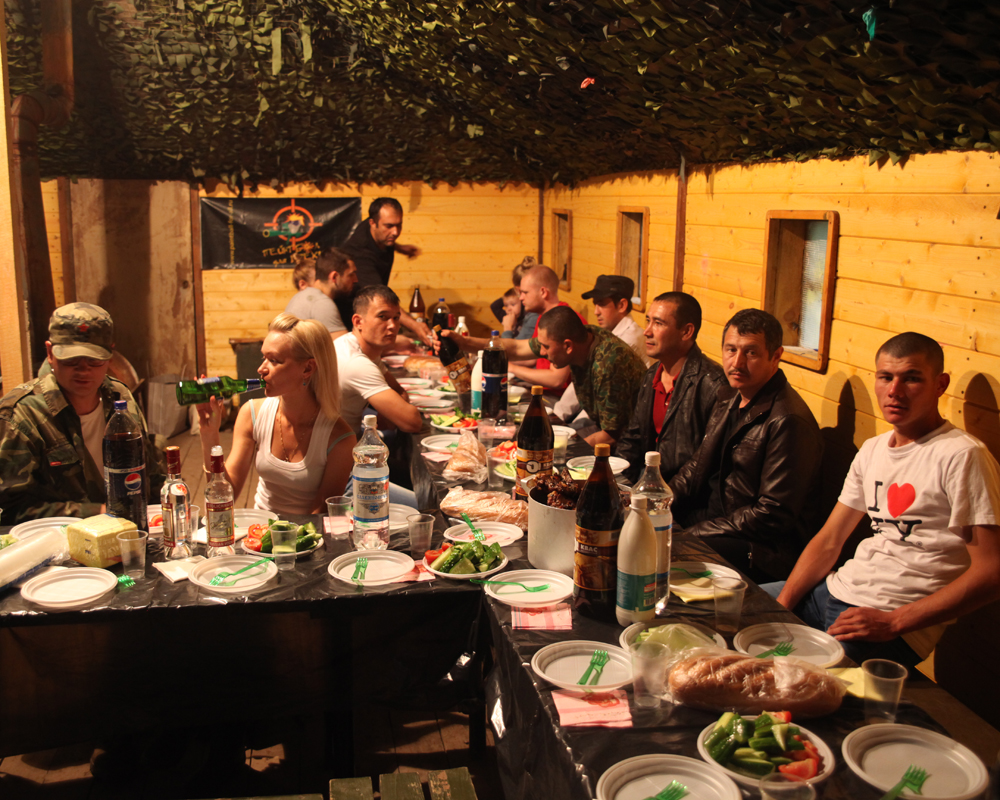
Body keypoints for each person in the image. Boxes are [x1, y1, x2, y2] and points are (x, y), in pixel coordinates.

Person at [767, 333, 1000, 667]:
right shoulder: (873, 449)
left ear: (940, 384)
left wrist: (894, 623)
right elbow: (830, 539)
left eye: (912, 378)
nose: (895, 391)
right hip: (832, 591)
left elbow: (991, 573)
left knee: (789, 677)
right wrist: (782, 606)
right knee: (731, 610)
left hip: (889, 622)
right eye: (886, 377)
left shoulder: (962, 456)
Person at [668, 308, 823, 583]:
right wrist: (658, 500)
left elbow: (771, 515)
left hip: (760, 548)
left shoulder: (787, 420)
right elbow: (696, 465)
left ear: (776, 356)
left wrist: (695, 533)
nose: (737, 362)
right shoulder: (730, 395)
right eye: (731, 350)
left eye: (751, 353)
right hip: (716, 521)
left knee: (667, 550)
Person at [0, 303, 165, 523]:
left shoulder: (120, 395)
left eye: (94, 360)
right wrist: (99, 512)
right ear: (50, 353)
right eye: (71, 360)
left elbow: (149, 472)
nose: (83, 369)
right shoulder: (21, 415)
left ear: (110, 356)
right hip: (59, 540)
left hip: (129, 531)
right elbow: (12, 511)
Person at [196, 313, 355, 516]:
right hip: (259, 528)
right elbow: (225, 495)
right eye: (264, 357)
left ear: (307, 368)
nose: (261, 369)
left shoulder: (340, 437)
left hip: (307, 531)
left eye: (274, 360)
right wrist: (209, 435)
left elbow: (321, 514)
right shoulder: (252, 413)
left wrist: (283, 535)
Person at [445, 305, 645, 446]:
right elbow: (516, 347)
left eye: (546, 347)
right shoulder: (582, 335)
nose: (541, 352)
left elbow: (612, 436)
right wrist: (463, 343)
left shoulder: (608, 364)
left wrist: (560, 450)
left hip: (632, 443)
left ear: (568, 346)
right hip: (604, 428)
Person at [616, 292, 726, 483]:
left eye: (658, 323)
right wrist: (614, 480)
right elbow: (633, 438)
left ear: (686, 332)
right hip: (650, 481)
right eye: (648, 321)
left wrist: (663, 494)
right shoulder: (651, 375)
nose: (647, 331)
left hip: (686, 493)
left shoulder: (713, 384)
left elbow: (705, 462)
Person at [554, 274, 652, 423]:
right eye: (595, 304)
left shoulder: (627, 340)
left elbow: (598, 395)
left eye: (601, 304)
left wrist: (561, 419)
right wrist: (558, 414)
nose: (596, 311)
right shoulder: (610, 334)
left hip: (625, 421)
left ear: (622, 305)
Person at [340, 197, 432, 345]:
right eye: (389, 226)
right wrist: (415, 326)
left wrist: (399, 248)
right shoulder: (360, 254)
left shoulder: (378, 232)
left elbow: (387, 235)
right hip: (355, 318)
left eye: (399, 225)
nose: (395, 232)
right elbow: (381, 298)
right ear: (372, 223)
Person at [334, 285, 423, 436]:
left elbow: (398, 390)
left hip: (346, 438)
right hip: (334, 447)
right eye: (383, 317)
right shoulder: (356, 362)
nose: (392, 326)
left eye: (396, 318)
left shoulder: (361, 349)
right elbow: (412, 422)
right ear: (358, 322)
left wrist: (388, 415)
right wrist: (390, 417)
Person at [508, 264, 582, 390]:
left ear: (543, 292)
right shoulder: (544, 316)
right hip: (542, 391)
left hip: (556, 397)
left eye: (525, 292)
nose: (521, 298)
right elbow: (533, 358)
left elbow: (556, 380)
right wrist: (500, 360)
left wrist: (511, 368)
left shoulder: (563, 321)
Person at [284, 247, 358, 337]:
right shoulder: (322, 303)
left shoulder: (299, 296)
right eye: (351, 275)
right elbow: (346, 345)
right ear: (334, 277)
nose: (355, 280)